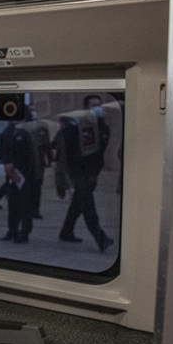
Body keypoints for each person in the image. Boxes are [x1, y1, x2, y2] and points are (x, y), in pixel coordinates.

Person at [57, 95, 114, 252]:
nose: (97, 107)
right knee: (88, 206)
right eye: (93, 105)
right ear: (86, 108)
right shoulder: (76, 127)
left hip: (92, 173)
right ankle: (101, 239)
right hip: (78, 172)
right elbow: (66, 148)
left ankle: (66, 231)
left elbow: (99, 154)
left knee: (78, 203)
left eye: (98, 104)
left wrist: (95, 172)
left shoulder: (104, 128)